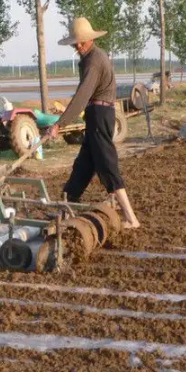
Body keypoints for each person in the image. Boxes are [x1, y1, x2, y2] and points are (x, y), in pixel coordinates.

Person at [47, 17, 140, 229]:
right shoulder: (91, 57)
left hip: (99, 114)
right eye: (75, 43)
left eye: (82, 42)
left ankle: (131, 218)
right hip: (96, 113)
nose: (78, 46)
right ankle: (65, 208)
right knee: (83, 165)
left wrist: (59, 124)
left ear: (90, 39)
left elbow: (82, 96)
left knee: (106, 165)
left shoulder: (94, 60)